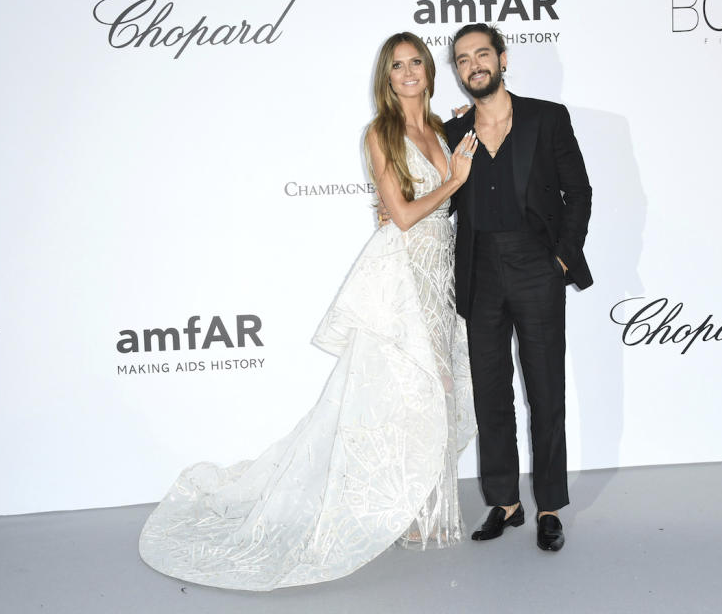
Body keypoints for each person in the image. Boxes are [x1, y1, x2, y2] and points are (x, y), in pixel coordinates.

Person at [138, 32, 478, 591]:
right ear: (386, 78)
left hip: (443, 273)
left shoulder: (443, 129)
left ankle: (431, 510)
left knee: (438, 387)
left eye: (417, 61)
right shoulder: (380, 134)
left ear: (429, 71)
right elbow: (402, 214)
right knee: (407, 385)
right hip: (403, 273)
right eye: (398, 65)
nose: (410, 72)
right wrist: (455, 181)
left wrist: (463, 140)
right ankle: (403, 511)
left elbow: (460, 192)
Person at [445, 24, 593, 551]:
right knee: (490, 393)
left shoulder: (546, 117)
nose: (474, 65)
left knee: (546, 390)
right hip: (480, 271)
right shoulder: (451, 133)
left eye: (482, 54)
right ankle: (505, 502)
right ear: (458, 71)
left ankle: (549, 505)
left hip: (536, 266)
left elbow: (578, 191)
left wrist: (559, 257)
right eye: (462, 59)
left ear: (502, 59)